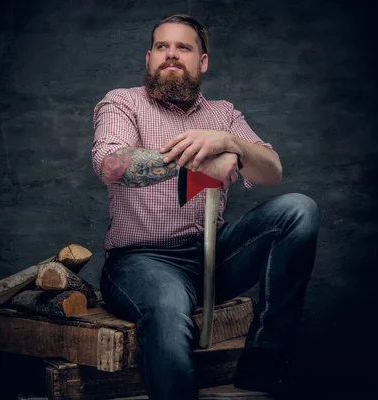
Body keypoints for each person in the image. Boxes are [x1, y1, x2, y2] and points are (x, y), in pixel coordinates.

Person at [91, 13, 319, 399]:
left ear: (203, 61)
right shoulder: (122, 102)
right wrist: (197, 159)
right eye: (162, 47)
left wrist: (229, 143)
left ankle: (263, 361)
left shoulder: (223, 115)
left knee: (299, 209)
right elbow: (111, 166)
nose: (171, 55)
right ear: (149, 58)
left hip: (211, 256)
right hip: (141, 261)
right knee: (166, 305)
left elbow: (272, 170)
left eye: (184, 47)